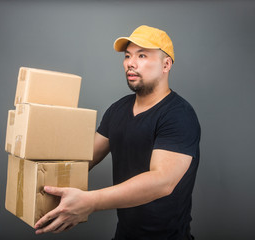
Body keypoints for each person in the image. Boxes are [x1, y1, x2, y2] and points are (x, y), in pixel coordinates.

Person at [34, 25, 200, 240]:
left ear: (166, 64)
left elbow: (162, 182)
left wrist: (90, 201)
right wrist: (38, 174)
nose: (130, 63)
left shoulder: (179, 115)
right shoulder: (118, 109)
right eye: (128, 56)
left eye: (142, 55)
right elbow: (83, 161)